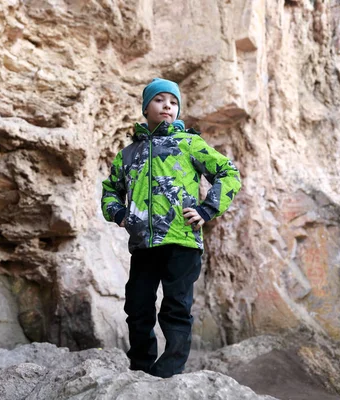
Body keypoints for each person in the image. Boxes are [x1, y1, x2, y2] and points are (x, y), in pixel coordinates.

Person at [100, 78, 241, 378]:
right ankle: (140, 366)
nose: (167, 106)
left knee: (176, 307)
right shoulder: (128, 154)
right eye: (160, 100)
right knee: (137, 308)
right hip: (143, 245)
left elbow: (229, 173)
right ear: (145, 108)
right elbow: (110, 190)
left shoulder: (189, 143)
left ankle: (169, 371)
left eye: (173, 102)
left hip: (183, 242)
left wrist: (206, 209)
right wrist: (120, 214)